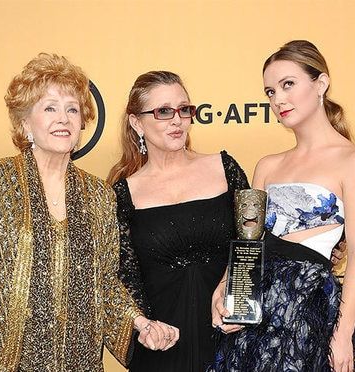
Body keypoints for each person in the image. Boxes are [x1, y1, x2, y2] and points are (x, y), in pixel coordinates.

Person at [0, 53, 178, 372]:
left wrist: (141, 324)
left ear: (82, 121)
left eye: (72, 109)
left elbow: (105, 282)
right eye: (50, 108)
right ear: (25, 122)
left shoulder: (99, 194)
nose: (63, 118)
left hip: (79, 360)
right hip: (6, 360)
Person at [212, 40, 355, 372]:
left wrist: (343, 334)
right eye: (270, 92)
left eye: (288, 84)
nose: (278, 99)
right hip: (254, 316)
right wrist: (223, 290)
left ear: (321, 83)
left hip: (305, 311)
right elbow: (249, 246)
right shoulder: (267, 166)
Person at [106, 71, 250, 371]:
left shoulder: (224, 167)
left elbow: (252, 243)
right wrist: (144, 328)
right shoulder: (121, 194)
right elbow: (123, 279)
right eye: (163, 111)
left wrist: (236, 298)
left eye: (184, 110)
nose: (177, 120)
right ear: (136, 123)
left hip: (231, 336)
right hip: (163, 346)